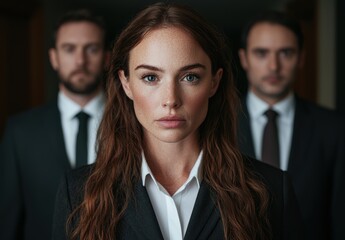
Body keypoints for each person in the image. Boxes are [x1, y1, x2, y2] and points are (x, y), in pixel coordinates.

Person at [52, 3, 303, 240]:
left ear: (214, 82)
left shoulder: (270, 191)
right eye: (150, 78)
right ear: (126, 83)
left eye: (190, 77)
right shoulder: (78, 194)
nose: (170, 100)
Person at [0, 9, 109, 240]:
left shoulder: (134, 125)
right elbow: (7, 222)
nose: (80, 60)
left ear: (107, 57)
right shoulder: (20, 131)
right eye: (69, 49)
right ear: (54, 57)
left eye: (92, 49)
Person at [237, 11, 345, 240]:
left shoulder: (334, 129)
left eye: (285, 53)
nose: (274, 66)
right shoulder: (215, 124)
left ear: (302, 58)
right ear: (244, 58)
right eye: (261, 53)